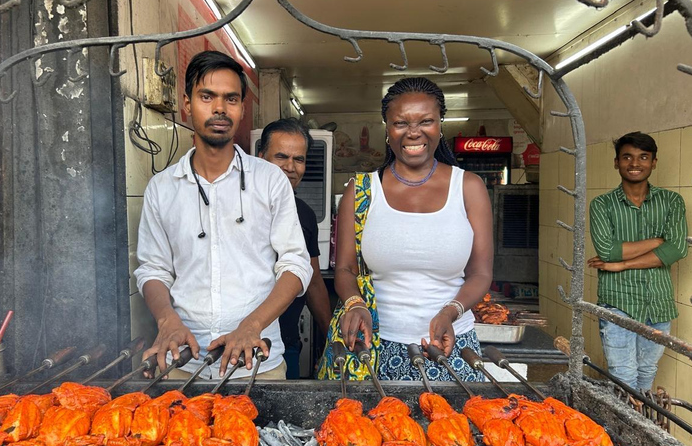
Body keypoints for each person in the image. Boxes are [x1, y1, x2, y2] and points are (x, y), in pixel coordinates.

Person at [134, 51, 312, 380]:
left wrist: (251, 325)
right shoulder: (162, 188)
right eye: (207, 97)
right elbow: (153, 269)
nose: (219, 108)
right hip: (182, 363)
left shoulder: (269, 180)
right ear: (187, 103)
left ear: (243, 109)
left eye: (231, 99)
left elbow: (296, 265)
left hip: (257, 364)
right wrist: (166, 320)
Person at [320, 77, 493, 381]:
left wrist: (451, 311)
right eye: (401, 122)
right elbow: (345, 268)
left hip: (451, 345)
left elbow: (480, 273)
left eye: (426, 121)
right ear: (387, 130)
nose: (413, 132)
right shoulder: (361, 191)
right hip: (373, 347)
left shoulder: (468, 187)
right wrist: (354, 303)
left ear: (440, 126)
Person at [588, 131, 687, 392]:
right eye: (627, 157)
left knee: (645, 376)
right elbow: (607, 251)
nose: (635, 163)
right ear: (616, 162)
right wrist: (657, 242)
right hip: (618, 302)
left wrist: (623, 264)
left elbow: (677, 248)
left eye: (643, 157)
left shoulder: (671, 202)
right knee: (623, 377)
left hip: (659, 304)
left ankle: (637, 430)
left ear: (654, 162)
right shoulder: (602, 204)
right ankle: (623, 430)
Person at [257, 118, 333, 378]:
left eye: (298, 159)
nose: (290, 167)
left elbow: (312, 282)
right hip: (237, 341)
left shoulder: (305, 215)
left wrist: (330, 337)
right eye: (281, 157)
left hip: (283, 344)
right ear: (260, 158)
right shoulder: (240, 208)